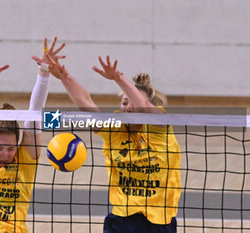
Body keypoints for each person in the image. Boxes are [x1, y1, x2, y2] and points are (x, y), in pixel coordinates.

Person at [47, 55, 181, 233]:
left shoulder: (160, 130)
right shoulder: (114, 129)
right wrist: (64, 77)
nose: (129, 107)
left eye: (133, 102)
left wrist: (118, 78)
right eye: (124, 102)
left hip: (159, 221)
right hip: (121, 219)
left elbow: (143, 107)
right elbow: (87, 103)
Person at [0, 38, 65, 233]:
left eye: (11, 148)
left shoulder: (24, 163)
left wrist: (44, 71)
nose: (5, 154)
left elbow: (35, 113)